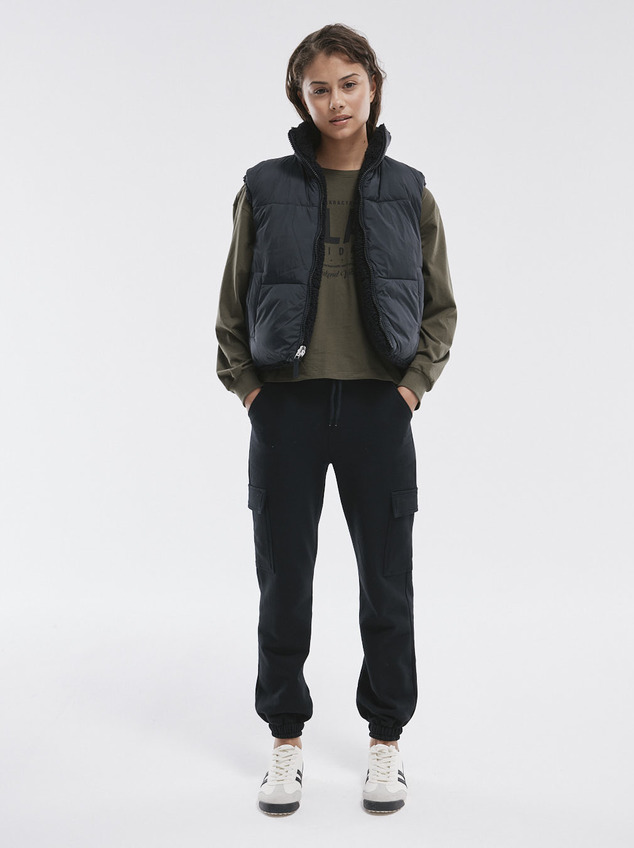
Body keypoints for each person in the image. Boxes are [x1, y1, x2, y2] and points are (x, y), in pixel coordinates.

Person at [215, 23, 457, 815]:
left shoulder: (410, 191)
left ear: (373, 86)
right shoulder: (264, 187)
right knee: (284, 582)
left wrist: (410, 390)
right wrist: (252, 393)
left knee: (387, 585)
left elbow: (441, 309)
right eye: (319, 88)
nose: (336, 101)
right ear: (301, 98)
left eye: (348, 84)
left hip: (378, 413)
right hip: (284, 410)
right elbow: (231, 306)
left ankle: (386, 741)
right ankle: (285, 742)